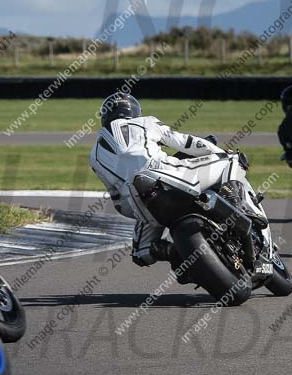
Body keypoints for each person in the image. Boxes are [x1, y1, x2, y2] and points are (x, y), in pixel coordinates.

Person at [89, 92, 252, 271]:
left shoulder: (94, 156)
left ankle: (175, 253)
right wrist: (217, 150)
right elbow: (186, 143)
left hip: (141, 201)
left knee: (141, 254)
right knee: (232, 159)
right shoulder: (146, 122)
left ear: (104, 116)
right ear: (135, 111)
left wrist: (138, 211)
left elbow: (118, 201)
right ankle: (237, 205)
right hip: (169, 175)